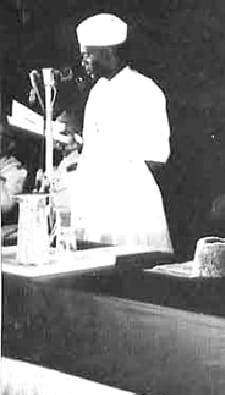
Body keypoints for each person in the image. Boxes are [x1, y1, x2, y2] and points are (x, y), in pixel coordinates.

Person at [70, 13, 172, 250]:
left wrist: (118, 169)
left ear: (108, 53)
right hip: (95, 202)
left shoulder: (146, 90)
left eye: (88, 54)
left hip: (130, 206)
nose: (84, 62)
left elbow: (156, 157)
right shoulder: (97, 92)